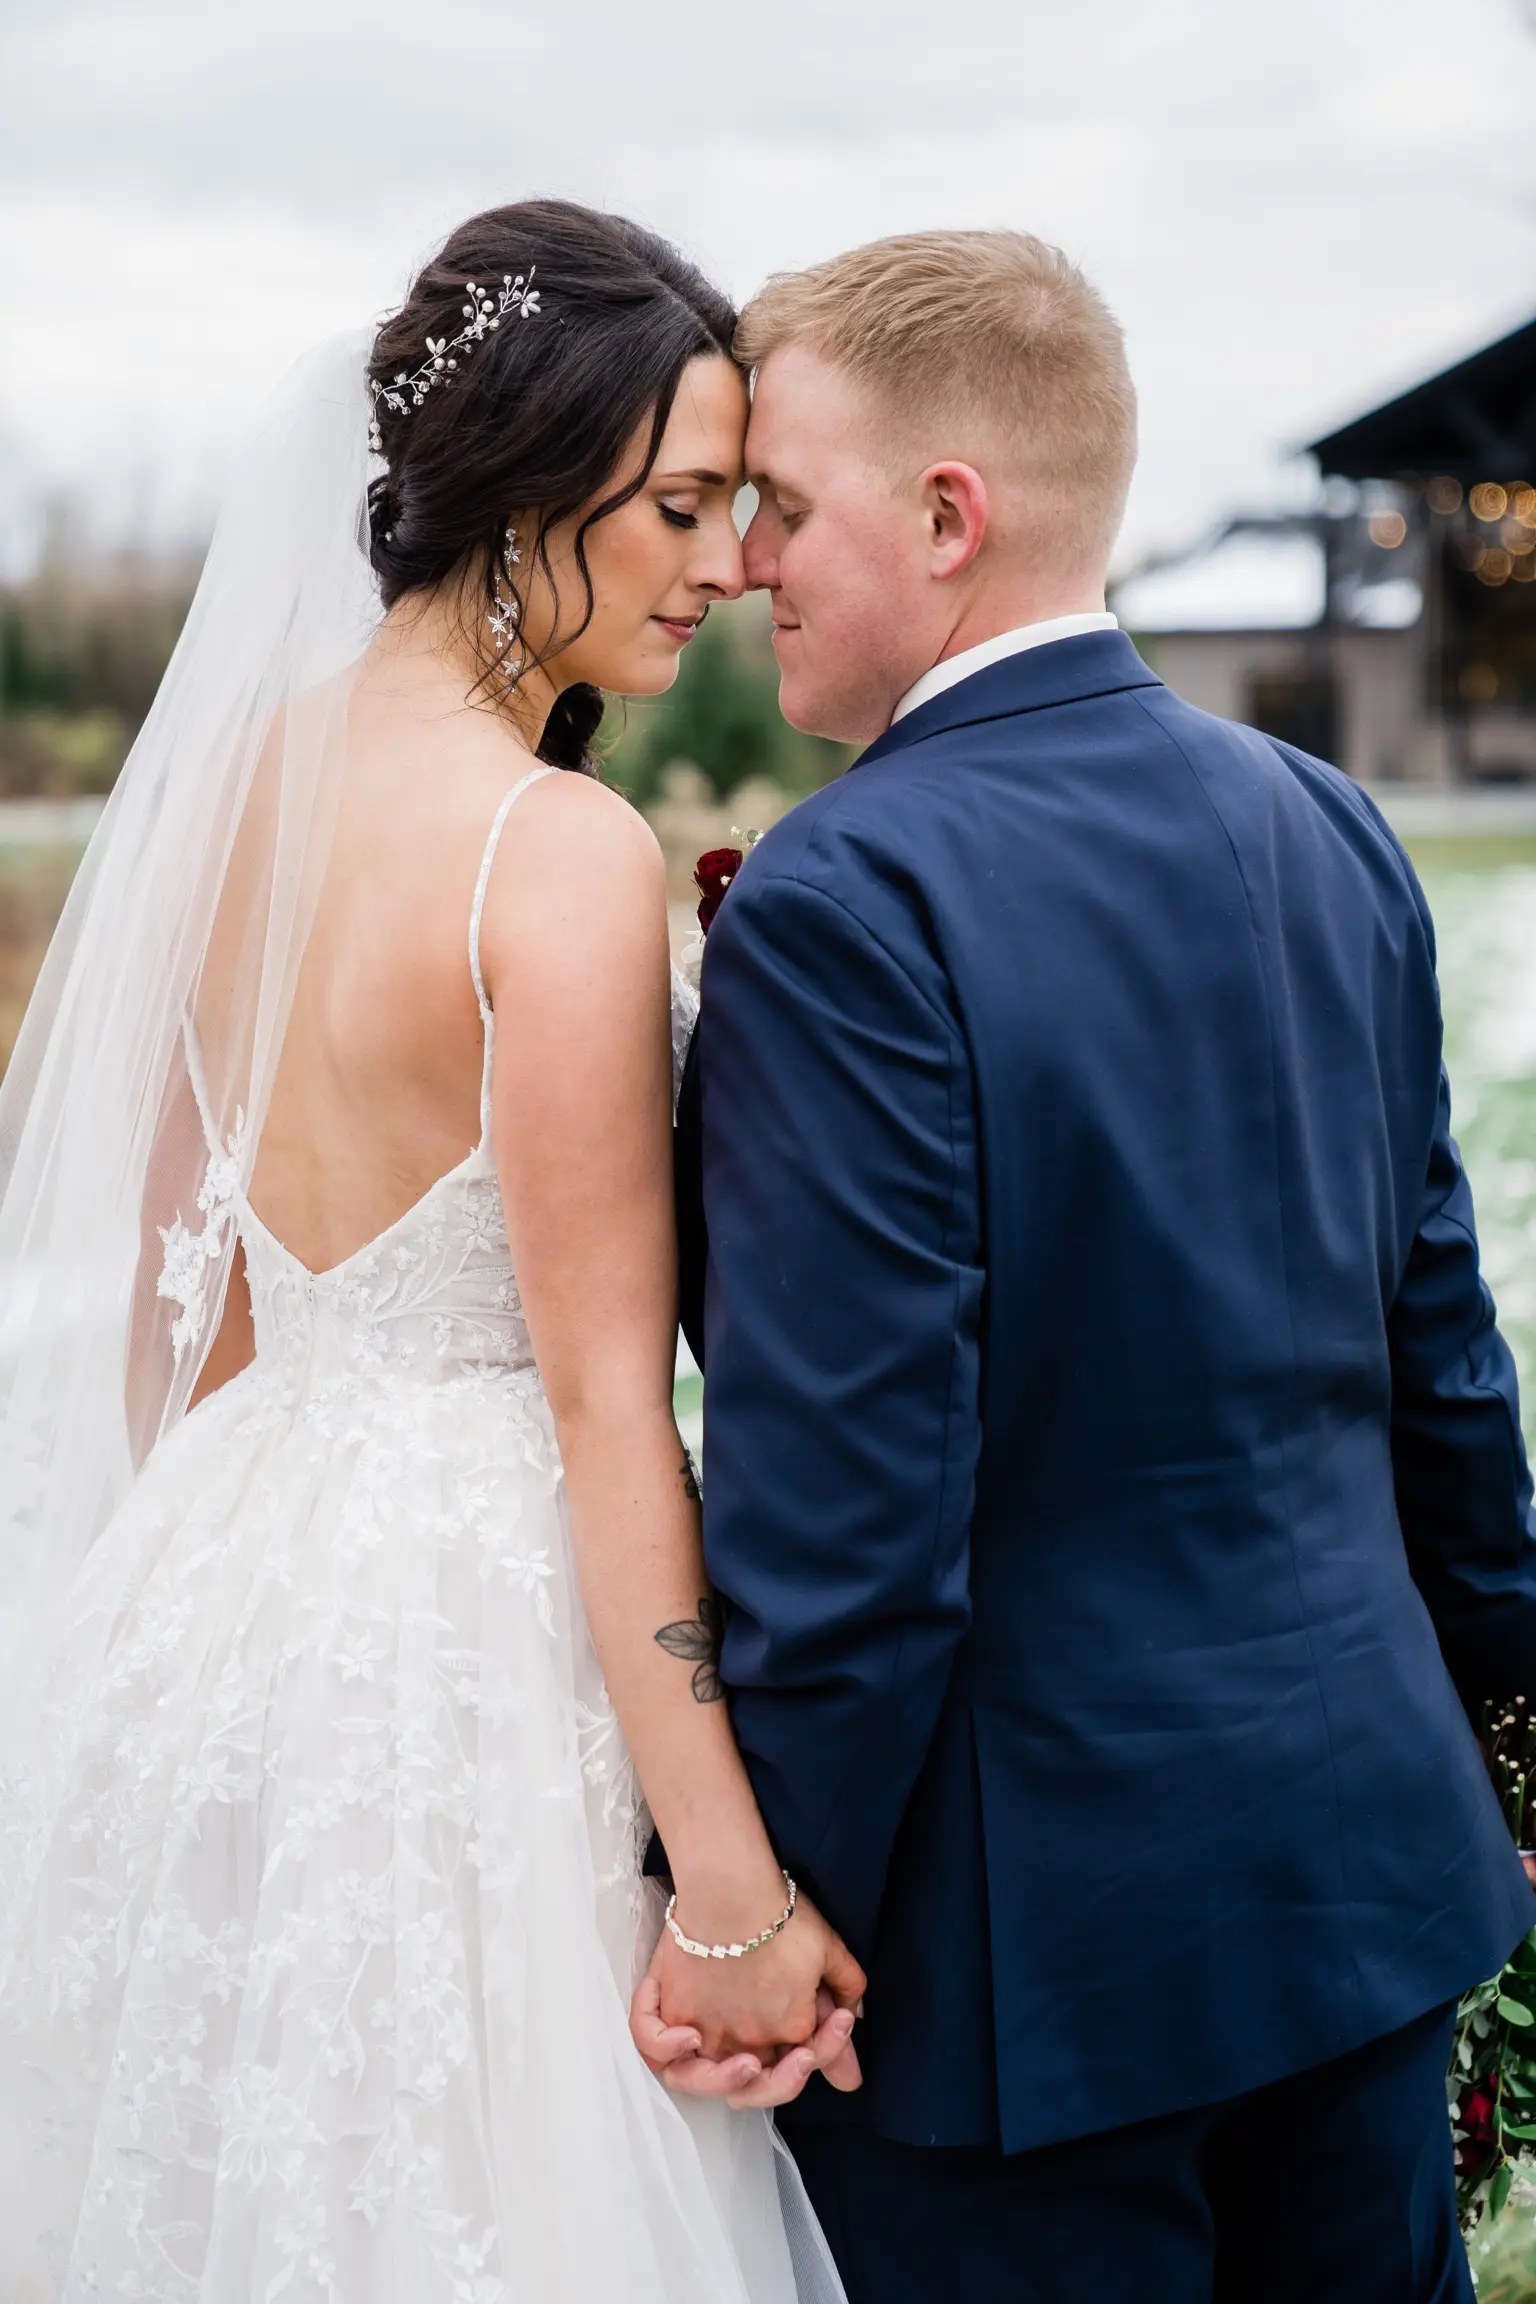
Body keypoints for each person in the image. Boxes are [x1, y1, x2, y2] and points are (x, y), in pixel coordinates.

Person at [648, 228, 1536, 2302]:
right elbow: (1444, 1363)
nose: (750, 563)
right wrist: (1506, 1722)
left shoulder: (845, 901)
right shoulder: (1326, 820)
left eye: (784, 505)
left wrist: (773, 1915)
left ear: (947, 518)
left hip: (1022, 1978)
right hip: (1364, 1886)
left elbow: (854, 1515)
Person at [0, 199, 859, 2302]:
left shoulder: (227, 792)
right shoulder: (550, 852)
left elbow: (182, 1304)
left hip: (219, 1585)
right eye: (681, 505)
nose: (727, 565)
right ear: (524, 487)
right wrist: (729, 1889)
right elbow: (604, 1403)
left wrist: (194, 1631)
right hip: (479, 1620)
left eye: (741, 508)